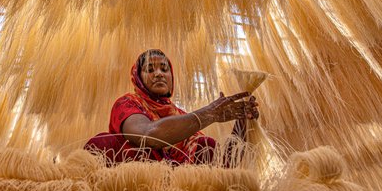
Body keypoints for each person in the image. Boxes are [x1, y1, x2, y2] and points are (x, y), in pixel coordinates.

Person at [84, 49, 259, 166]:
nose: (158, 73)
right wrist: (210, 113)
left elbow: (225, 163)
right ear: (138, 78)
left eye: (164, 69)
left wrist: (243, 119)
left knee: (206, 145)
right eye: (150, 69)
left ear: (171, 76)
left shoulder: (180, 116)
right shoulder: (128, 103)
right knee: (102, 143)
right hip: (131, 186)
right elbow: (148, 135)